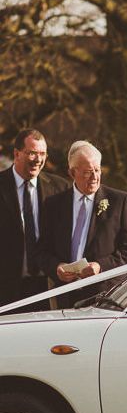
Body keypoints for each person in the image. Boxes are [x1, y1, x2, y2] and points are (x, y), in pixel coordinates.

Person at [38, 140, 127, 307]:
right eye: (87, 172)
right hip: (65, 296)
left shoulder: (119, 201)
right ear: (72, 173)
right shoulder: (53, 204)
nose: (95, 177)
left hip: (106, 297)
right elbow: (41, 251)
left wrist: (100, 266)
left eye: (97, 170)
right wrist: (56, 267)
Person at [0, 129, 69, 311]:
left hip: (47, 287)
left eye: (42, 154)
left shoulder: (60, 188)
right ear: (16, 153)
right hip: (6, 288)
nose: (38, 160)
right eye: (32, 153)